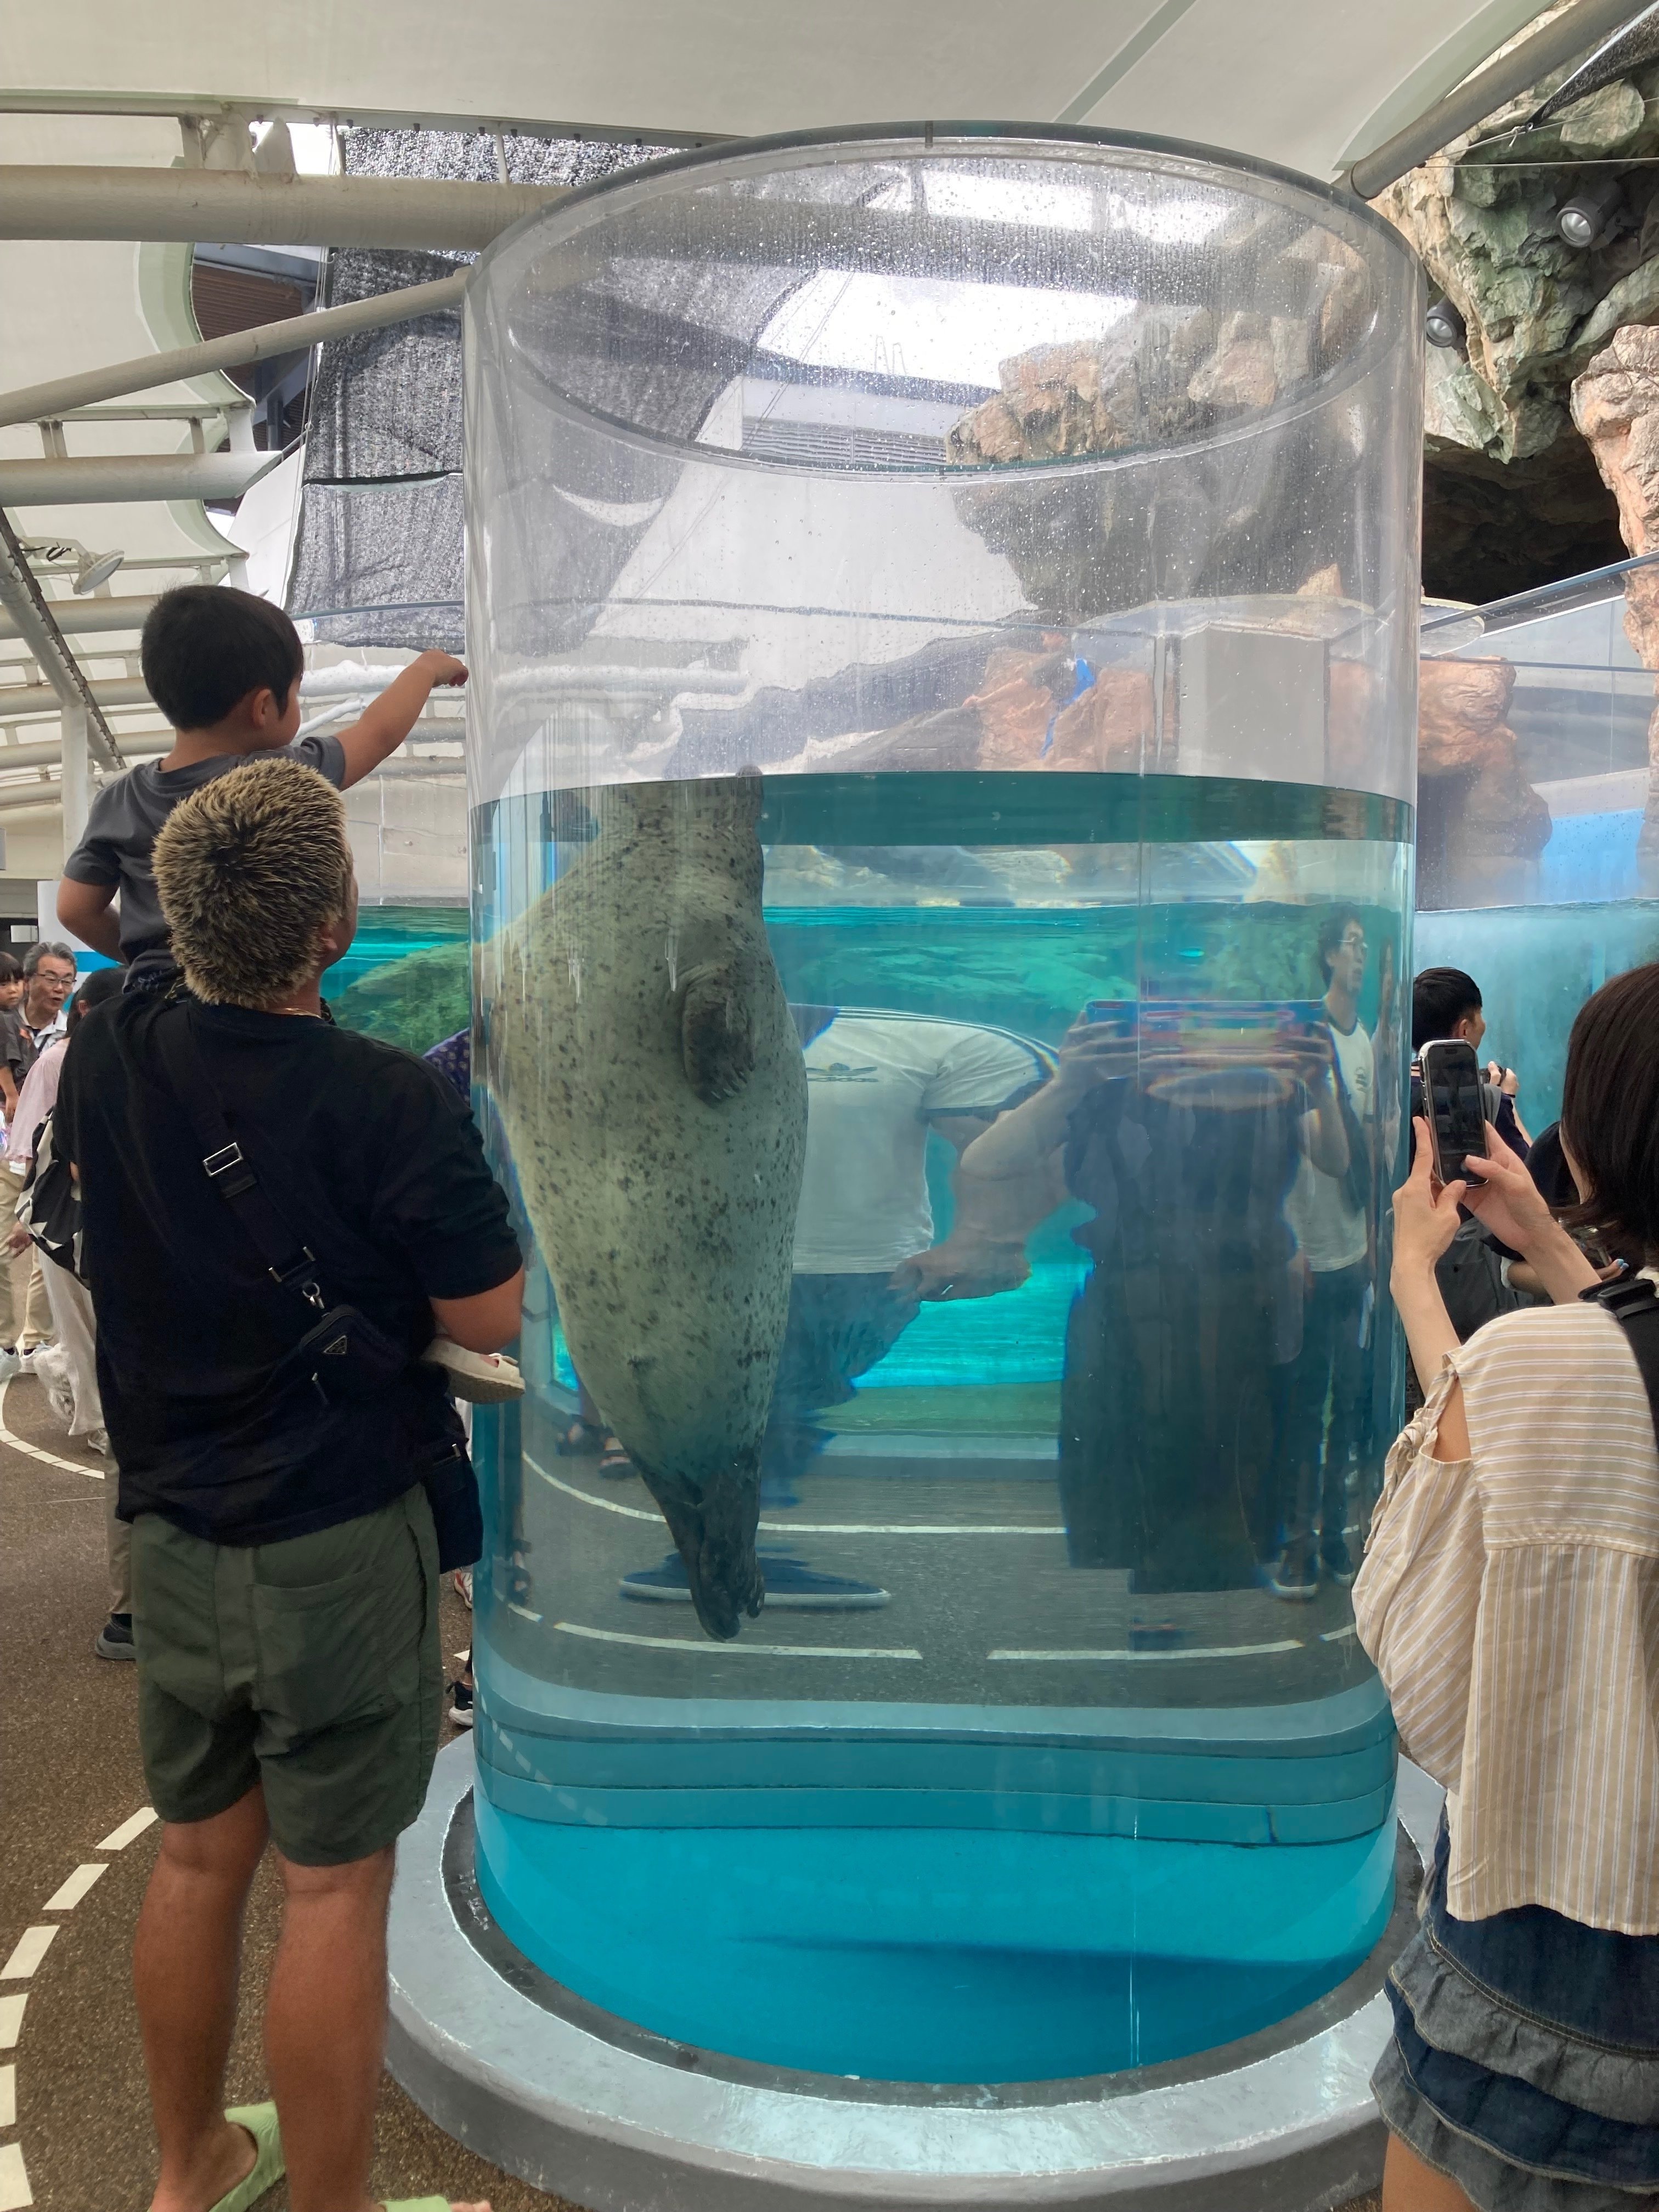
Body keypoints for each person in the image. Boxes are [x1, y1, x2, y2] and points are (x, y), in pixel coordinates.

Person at [57, 757, 519, 2212]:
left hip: (172, 1534)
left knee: (198, 1868)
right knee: (333, 1890)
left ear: (179, 917)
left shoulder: (111, 1033)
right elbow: (493, 1312)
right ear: (337, 920)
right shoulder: (385, 1102)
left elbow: (111, 955)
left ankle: (188, 2170)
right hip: (330, 1545)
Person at [1356, 961, 1659, 2212]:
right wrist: (1546, 1243)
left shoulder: (1549, 1363)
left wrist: (1418, 1284)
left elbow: (1422, 1669)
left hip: (1567, 1978)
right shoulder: (1600, 1346)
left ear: (1594, 1138)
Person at [616, 1005, 1054, 1610]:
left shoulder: (914, 1040)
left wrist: (990, 1240)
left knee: (787, 1409)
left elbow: (1018, 1145)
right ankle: (726, 1559)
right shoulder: (665, 1033)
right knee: (754, 1414)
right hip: (703, 1269)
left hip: (862, 1272)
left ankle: (727, 1556)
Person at [924, 998, 1350, 1592]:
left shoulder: (1270, 1090)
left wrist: (1321, 1086)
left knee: (1236, 1441)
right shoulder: (1101, 1095)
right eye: (1159, 1027)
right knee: (1140, 1438)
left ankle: (1220, 1572)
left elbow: (1337, 1159)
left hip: (1242, 1296)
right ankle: (1157, 1587)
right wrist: (1069, 1081)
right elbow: (987, 1161)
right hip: (1137, 1294)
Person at [55, 583, 467, 980]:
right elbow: (377, 732)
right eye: (297, 690)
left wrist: (151, 959)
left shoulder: (119, 800)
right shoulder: (277, 777)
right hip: (260, 993)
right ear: (265, 707)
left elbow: (76, 910)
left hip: (155, 1002)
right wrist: (425, 669)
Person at [4, 969, 128, 1645]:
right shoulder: (71, 1059)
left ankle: (70, 1387)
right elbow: (59, 1149)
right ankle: (75, 1392)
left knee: (85, 1346)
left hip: (66, 1231)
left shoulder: (83, 1054)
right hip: (73, 1232)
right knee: (86, 1348)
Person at [1276, 907, 1378, 1599]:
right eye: (1352, 945)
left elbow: (1367, 1147)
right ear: (1326, 956)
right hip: (1304, 1253)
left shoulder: (1364, 1039)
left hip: (1352, 1248)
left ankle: (1336, 1534)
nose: (1362, 957)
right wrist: (1289, 1247)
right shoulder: (1301, 1032)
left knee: (1347, 1406)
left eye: (1367, 947)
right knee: (1302, 1404)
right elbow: (1280, 1144)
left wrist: (1372, 1235)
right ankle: (1296, 1544)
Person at [0, 939, 76, 1362]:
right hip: (8, 1151)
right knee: (5, 1248)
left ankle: (36, 1341)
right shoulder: (3, 1025)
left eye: (67, 980)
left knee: (48, 1243)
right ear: (28, 981)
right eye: (50, 978)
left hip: (48, 1155)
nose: (59, 988)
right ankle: (5, 1340)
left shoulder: (70, 1035)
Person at [1410, 966, 1530, 1160]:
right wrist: (1504, 1100)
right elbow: (1534, 1177)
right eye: (1480, 1014)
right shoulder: (1485, 1099)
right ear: (1464, 1030)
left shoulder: (1392, 1092)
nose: (1484, 1024)